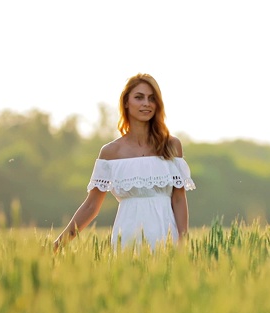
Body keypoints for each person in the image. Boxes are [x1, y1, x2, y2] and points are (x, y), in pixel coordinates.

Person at [53, 73, 196, 252]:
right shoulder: (111, 153)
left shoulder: (171, 145)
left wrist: (183, 243)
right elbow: (91, 206)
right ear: (126, 102)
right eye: (139, 97)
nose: (146, 103)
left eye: (152, 98)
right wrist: (58, 244)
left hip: (166, 236)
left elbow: (179, 199)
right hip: (128, 237)